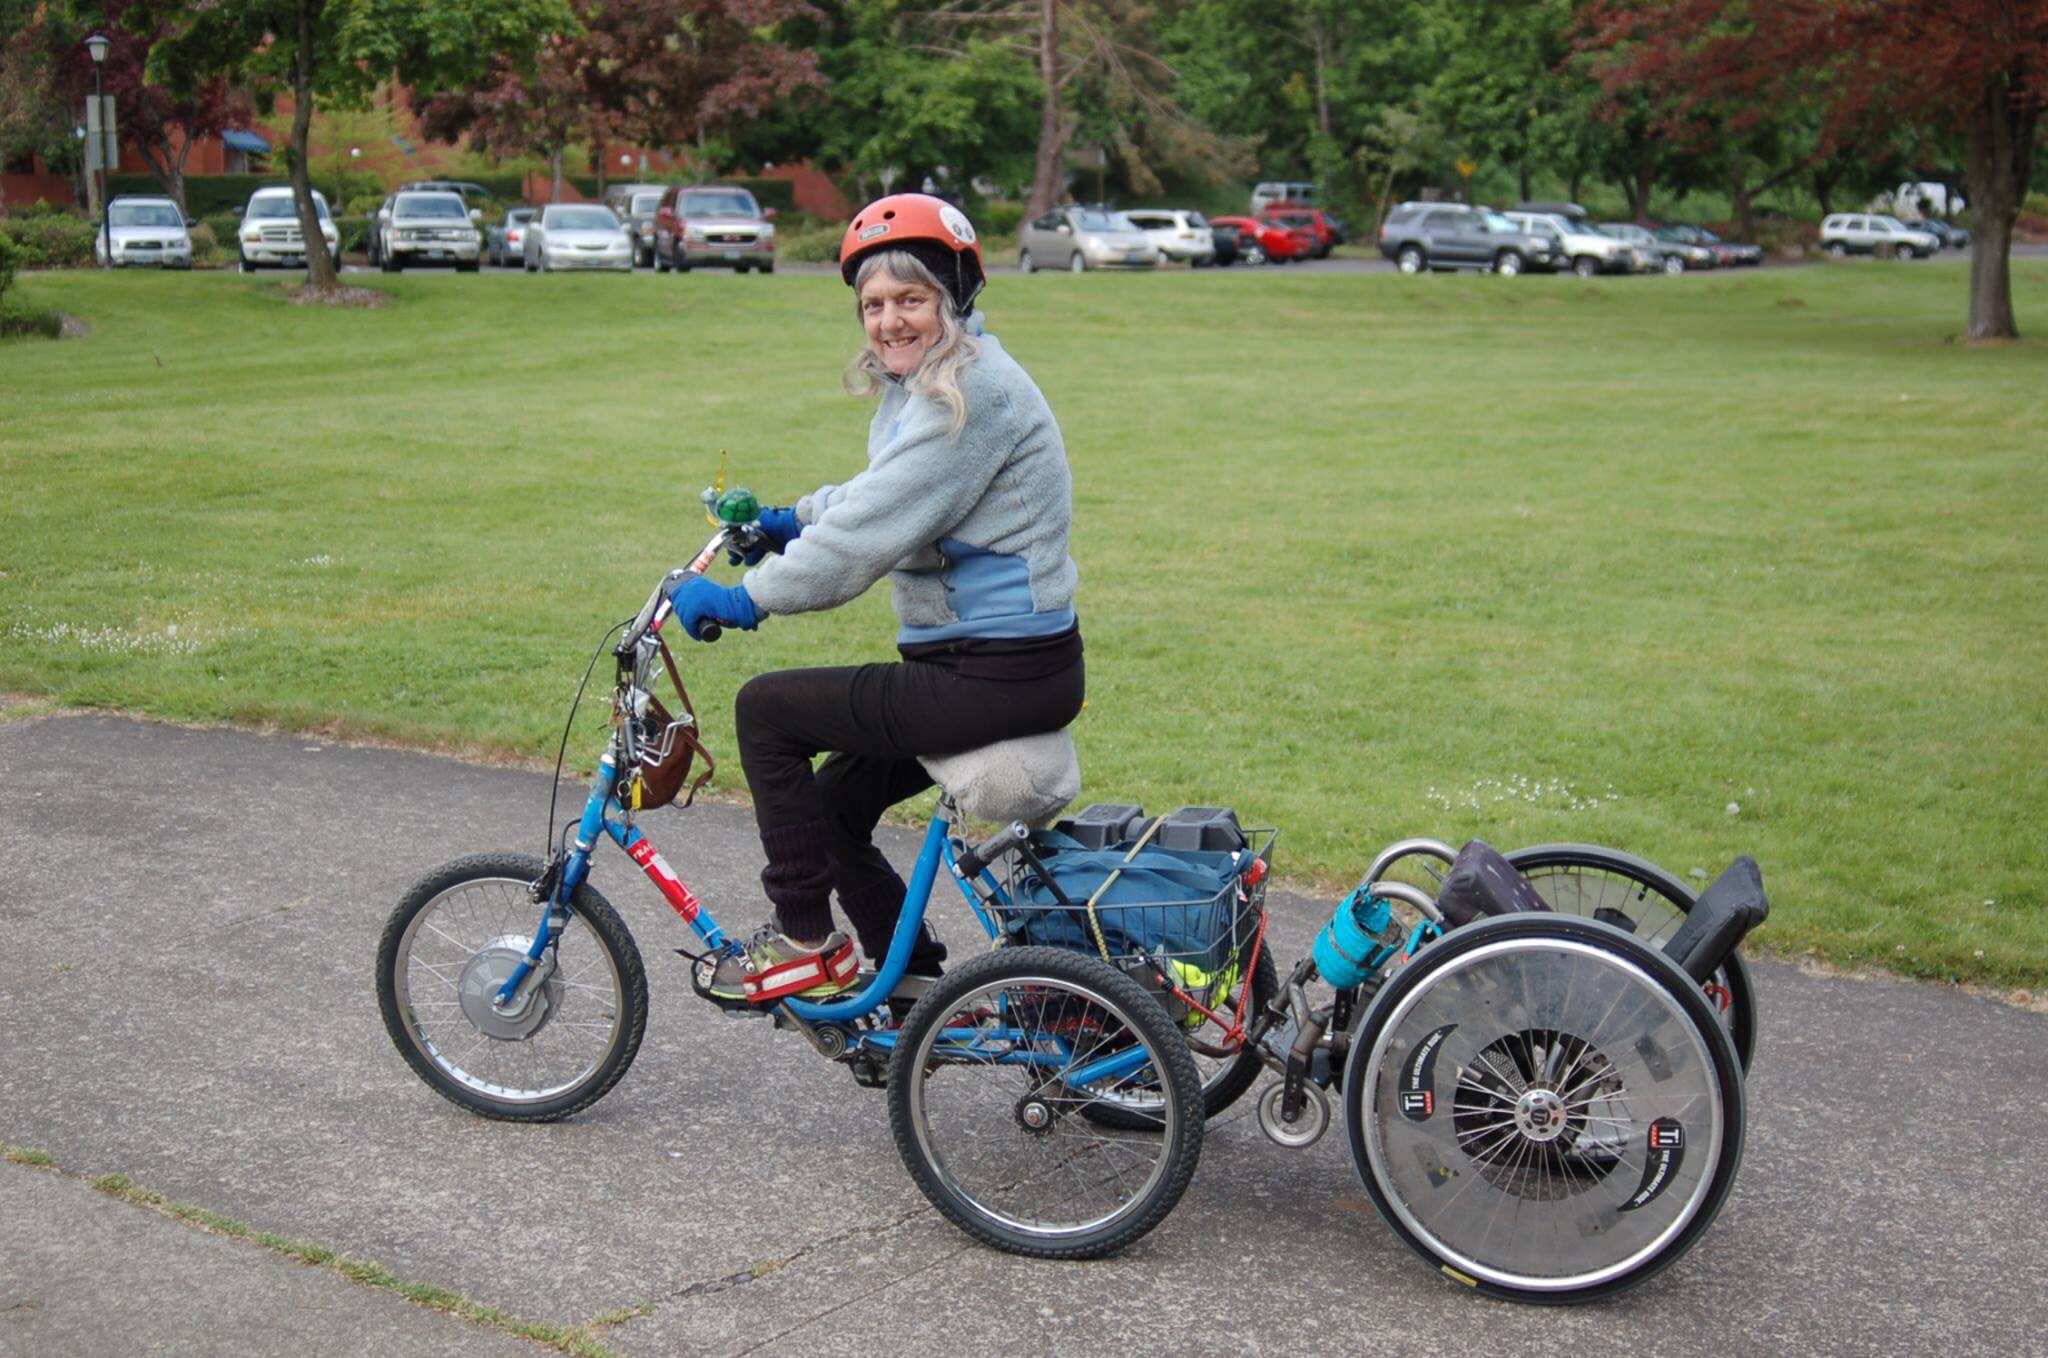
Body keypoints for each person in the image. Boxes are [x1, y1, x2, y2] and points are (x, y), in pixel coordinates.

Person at [665, 193, 1083, 1002]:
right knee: (829, 807)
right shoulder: (933, 386)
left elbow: (864, 542)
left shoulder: (970, 396)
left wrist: (743, 599)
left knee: (767, 711)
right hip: (992, 668)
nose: (890, 320)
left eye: (911, 299)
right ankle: (908, 981)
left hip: (991, 676)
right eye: (874, 304)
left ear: (953, 297)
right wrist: (789, 521)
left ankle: (802, 942)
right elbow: (879, 495)